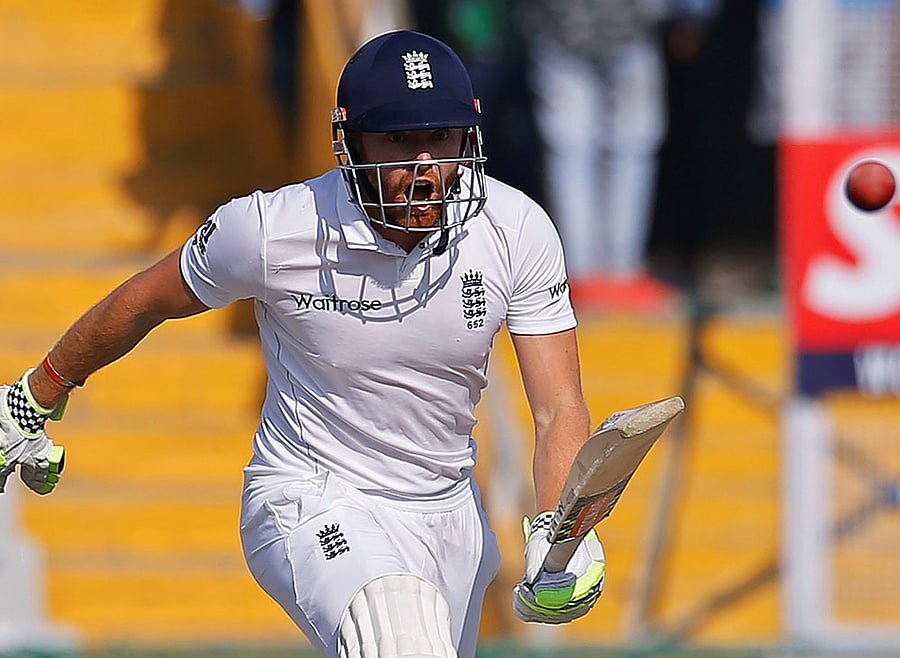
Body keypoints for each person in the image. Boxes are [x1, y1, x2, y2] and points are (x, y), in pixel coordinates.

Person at [0, 30, 605, 658]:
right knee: (400, 635)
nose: (426, 167)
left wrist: (561, 528)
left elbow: (558, 405)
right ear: (349, 144)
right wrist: (33, 395)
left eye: (442, 139)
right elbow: (144, 302)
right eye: (399, 141)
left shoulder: (516, 229)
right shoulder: (272, 228)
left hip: (450, 518)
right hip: (311, 496)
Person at [521, 0, 718, 311]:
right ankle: (617, 272)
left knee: (574, 150)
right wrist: (693, 14)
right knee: (622, 148)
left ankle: (587, 272)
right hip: (626, 25)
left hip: (562, 23)